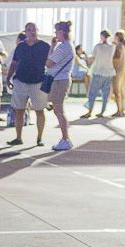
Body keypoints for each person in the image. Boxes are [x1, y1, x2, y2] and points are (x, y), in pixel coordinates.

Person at [5, 22, 50, 146]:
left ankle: (40, 138)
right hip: (20, 81)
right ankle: (18, 137)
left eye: (34, 30)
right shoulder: (20, 46)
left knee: (39, 110)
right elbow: (14, 63)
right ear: (25, 32)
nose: (32, 32)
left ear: (38, 30)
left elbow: (51, 63)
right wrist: (8, 78)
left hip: (38, 82)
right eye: (29, 30)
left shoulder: (44, 46)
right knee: (19, 110)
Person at [45, 21, 75, 151]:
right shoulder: (67, 45)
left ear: (61, 32)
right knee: (58, 109)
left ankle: (65, 139)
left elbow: (49, 63)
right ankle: (65, 139)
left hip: (59, 81)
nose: (55, 34)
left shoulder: (63, 47)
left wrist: (52, 47)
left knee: (59, 110)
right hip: (61, 79)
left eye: (56, 31)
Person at [80, 30, 116, 119]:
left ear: (102, 36)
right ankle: (102, 111)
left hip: (98, 72)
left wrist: (85, 56)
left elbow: (92, 59)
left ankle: (90, 111)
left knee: (92, 93)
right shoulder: (112, 47)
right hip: (109, 72)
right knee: (105, 94)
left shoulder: (98, 47)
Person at [111, 30, 125, 115]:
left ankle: (119, 110)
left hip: (117, 70)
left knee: (117, 91)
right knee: (122, 90)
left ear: (117, 37)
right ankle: (122, 109)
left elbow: (116, 58)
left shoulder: (119, 46)